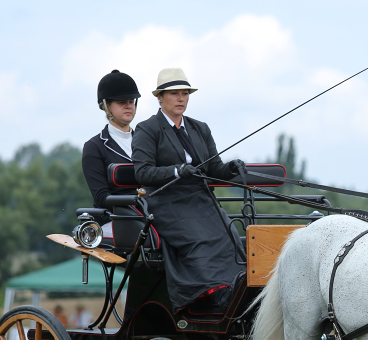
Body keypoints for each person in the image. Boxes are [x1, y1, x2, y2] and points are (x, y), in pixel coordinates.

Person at [132, 68, 246, 314]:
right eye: (174, 93)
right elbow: (142, 173)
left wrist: (231, 169)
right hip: (165, 201)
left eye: (185, 93)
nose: (181, 98)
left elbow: (214, 168)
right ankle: (216, 294)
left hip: (200, 200)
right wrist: (176, 171)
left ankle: (237, 289)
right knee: (199, 240)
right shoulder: (148, 129)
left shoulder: (199, 128)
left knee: (230, 237)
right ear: (160, 97)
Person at [82, 70, 142, 209]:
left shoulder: (148, 140)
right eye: (121, 102)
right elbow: (101, 197)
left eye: (131, 101)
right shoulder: (94, 147)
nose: (128, 106)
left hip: (154, 214)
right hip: (117, 218)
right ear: (107, 106)